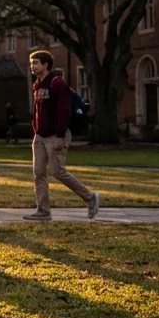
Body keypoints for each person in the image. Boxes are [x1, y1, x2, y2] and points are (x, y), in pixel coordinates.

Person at [27, 51, 99, 221]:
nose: (33, 66)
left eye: (36, 63)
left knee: (57, 171)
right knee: (38, 173)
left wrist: (60, 135)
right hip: (40, 136)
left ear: (46, 65)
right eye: (31, 63)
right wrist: (35, 128)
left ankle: (90, 197)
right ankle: (43, 211)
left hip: (56, 135)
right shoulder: (37, 84)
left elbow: (64, 111)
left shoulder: (56, 83)